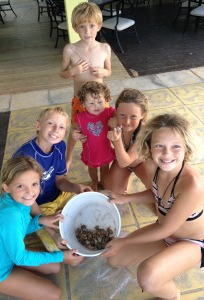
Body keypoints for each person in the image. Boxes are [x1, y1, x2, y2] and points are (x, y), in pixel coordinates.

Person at [102, 113, 204, 300]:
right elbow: (157, 193)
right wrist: (125, 198)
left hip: (191, 242)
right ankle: (168, 259)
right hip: (165, 234)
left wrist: (123, 241)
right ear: (149, 146)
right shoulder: (152, 166)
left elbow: (165, 229)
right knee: (115, 259)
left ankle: (172, 296)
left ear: (186, 149)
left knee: (148, 277)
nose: (166, 154)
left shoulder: (192, 185)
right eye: (159, 146)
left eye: (175, 147)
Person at [0, 157, 83, 300]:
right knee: (54, 294)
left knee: (55, 267)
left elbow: (19, 229)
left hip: (6, 253)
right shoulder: (11, 216)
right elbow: (20, 257)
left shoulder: (12, 201)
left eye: (34, 184)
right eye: (21, 186)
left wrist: (41, 220)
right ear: (6, 187)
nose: (30, 192)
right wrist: (62, 256)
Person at [12, 106, 92, 250]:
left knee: (88, 211)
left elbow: (59, 180)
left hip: (58, 195)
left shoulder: (60, 146)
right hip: (37, 205)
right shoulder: (25, 157)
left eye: (61, 127)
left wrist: (76, 188)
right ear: (38, 125)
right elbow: (26, 198)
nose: (56, 129)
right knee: (59, 243)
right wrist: (48, 227)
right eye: (51, 123)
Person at [60, 2, 111, 171]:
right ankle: (68, 158)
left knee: (103, 129)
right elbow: (62, 73)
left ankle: (104, 153)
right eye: (82, 27)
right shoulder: (70, 49)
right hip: (80, 100)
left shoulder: (105, 48)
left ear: (99, 26)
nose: (87, 31)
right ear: (75, 28)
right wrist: (72, 71)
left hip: (100, 101)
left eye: (91, 26)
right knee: (76, 129)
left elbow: (109, 71)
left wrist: (103, 72)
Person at [103, 88, 149, 194]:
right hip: (123, 159)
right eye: (122, 115)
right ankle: (125, 179)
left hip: (142, 163)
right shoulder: (114, 121)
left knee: (156, 187)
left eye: (133, 116)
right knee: (110, 189)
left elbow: (124, 162)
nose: (127, 122)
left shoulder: (144, 132)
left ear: (142, 115)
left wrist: (117, 140)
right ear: (116, 111)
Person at [72, 81, 115, 191]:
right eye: (91, 103)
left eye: (100, 102)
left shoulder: (108, 112)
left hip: (105, 149)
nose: (96, 106)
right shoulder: (80, 117)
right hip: (90, 151)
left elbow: (120, 114)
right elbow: (75, 128)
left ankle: (104, 181)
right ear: (83, 104)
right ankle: (94, 181)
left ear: (106, 100)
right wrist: (75, 134)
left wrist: (116, 122)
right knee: (92, 169)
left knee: (105, 168)